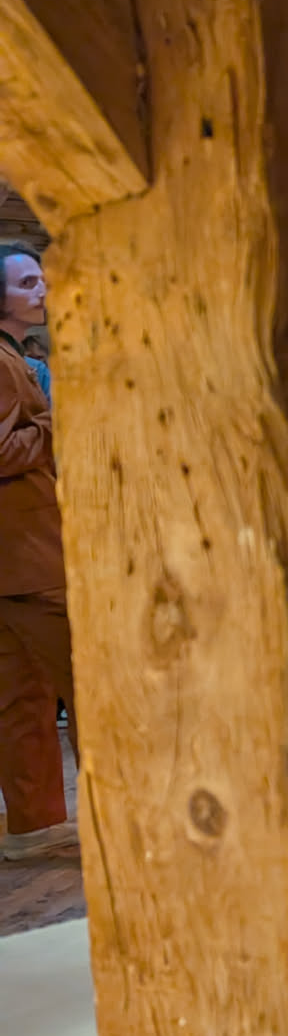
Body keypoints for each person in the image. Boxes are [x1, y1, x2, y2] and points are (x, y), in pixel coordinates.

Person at [0, 241, 76, 859]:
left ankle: (33, 826)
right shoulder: (3, 362)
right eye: (26, 283)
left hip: (16, 557)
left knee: (20, 698)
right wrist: (59, 418)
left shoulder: (15, 355)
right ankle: (125, 815)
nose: (42, 289)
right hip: (28, 553)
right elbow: (4, 450)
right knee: (87, 685)